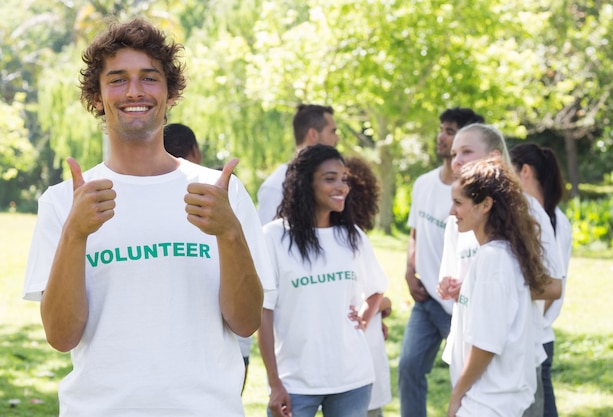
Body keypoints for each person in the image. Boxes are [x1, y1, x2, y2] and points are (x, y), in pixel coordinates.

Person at [22, 18, 272, 417]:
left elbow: (245, 323)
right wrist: (74, 234)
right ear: (97, 96)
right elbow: (61, 336)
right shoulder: (63, 202)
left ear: (170, 93)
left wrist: (230, 234)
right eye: (118, 79)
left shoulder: (221, 194)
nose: (135, 91)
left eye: (150, 78)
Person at [437, 124, 564, 417]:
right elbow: (465, 286)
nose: (456, 161)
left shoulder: (527, 216)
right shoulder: (459, 221)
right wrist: (461, 288)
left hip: (503, 379)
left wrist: (496, 289)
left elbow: (553, 287)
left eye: (466, 152)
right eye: (454, 153)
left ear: (494, 157)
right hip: (472, 371)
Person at [257, 144, 387, 417]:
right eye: (330, 179)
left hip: (352, 380)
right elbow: (264, 313)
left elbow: (376, 290)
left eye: (344, 179)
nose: (342, 186)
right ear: (305, 184)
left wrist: (362, 319)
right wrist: (274, 382)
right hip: (295, 383)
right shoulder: (273, 237)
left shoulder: (352, 236)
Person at [399, 107, 484, 417]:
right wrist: (410, 271)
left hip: (462, 302)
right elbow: (415, 233)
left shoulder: (478, 195)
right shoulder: (423, 183)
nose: (441, 136)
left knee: (467, 378)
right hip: (427, 299)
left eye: (450, 131)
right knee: (409, 368)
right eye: (442, 129)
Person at [163, 122, 253, 391]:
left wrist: (229, 231)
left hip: (220, 355)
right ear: (195, 151)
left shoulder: (224, 194)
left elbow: (247, 318)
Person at [511, 143, 573, 417]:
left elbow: (550, 285)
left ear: (524, 170)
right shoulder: (531, 214)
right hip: (530, 338)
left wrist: (530, 327)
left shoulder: (551, 220)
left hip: (536, 339)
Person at [345, 155, 392, 417]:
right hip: (362, 349)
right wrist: (383, 306)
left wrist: (380, 306)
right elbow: (375, 296)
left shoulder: (354, 237)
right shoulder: (355, 238)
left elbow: (375, 293)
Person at [257, 104, 339, 225]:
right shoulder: (276, 187)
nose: (337, 139)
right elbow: (265, 240)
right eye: (332, 132)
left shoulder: (337, 185)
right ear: (313, 134)